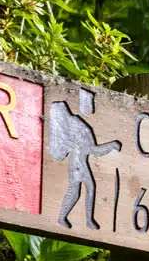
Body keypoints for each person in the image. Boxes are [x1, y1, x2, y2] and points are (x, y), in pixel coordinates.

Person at [49, 89, 121, 230]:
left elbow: (93, 149)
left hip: (80, 164)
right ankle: (66, 218)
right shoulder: (77, 125)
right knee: (77, 191)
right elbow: (92, 150)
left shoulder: (82, 126)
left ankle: (85, 220)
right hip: (77, 165)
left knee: (85, 189)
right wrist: (111, 146)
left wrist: (110, 146)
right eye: (87, 103)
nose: (89, 107)